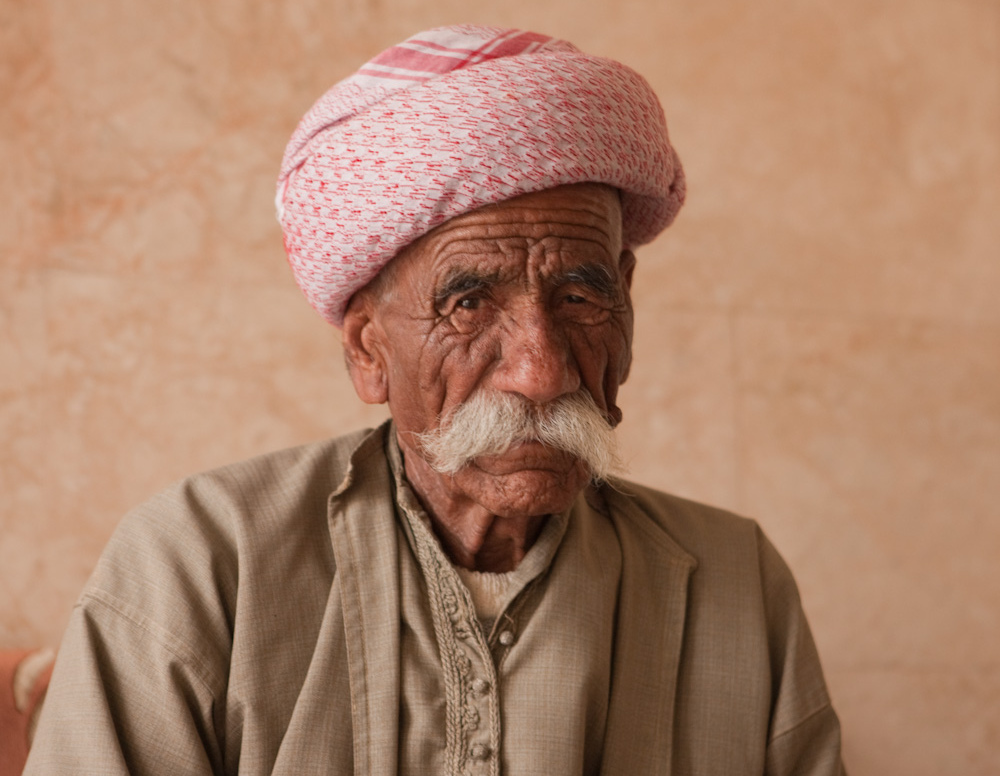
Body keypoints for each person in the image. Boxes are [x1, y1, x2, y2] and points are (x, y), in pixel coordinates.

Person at [25, 25, 846, 775]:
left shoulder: (737, 585)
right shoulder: (198, 566)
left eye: (580, 297)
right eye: (469, 303)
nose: (542, 370)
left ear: (626, 299)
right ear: (368, 351)